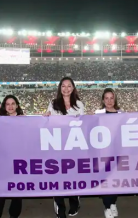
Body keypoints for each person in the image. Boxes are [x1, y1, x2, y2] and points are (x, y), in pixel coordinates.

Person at [44, 77, 84, 218]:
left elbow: (83, 124)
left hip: (73, 147)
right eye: (63, 86)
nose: (66, 89)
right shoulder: (53, 104)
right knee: (57, 177)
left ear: (73, 88)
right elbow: (48, 124)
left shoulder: (79, 104)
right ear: (60, 88)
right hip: (57, 147)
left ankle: (74, 202)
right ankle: (60, 206)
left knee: (72, 176)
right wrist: (46, 117)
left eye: (69, 86)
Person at [96, 88, 120, 218]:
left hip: (118, 154)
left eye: (112, 98)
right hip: (103, 154)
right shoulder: (97, 114)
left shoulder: (121, 114)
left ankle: (113, 204)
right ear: (103, 100)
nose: (109, 101)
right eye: (107, 98)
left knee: (115, 180)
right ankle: (107, 206)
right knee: (106, 181)